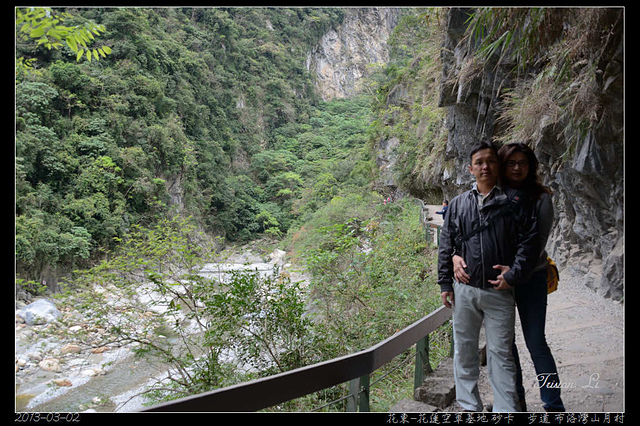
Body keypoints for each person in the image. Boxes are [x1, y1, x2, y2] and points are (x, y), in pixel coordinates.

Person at [453, 143, 564, 412]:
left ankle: (553, 404)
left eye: (523, 163)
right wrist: (455, 256)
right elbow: (466, 236)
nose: (517, 168)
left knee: (536, 342)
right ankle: (516, 400)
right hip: (496, 283)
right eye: (511, 163)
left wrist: (513, 274)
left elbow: (536, 245)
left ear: (531, 167)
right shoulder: (494, 194)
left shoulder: (540, 198)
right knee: (505, 346)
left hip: (529, 279)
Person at [438, 139, 539, 412]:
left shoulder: (515, 201)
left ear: (498, 165)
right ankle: (470, 407)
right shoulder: (458, 204)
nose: (485, 166)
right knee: (464, 350)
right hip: (465, 289)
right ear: (470, 168)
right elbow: (447, 243)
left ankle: (506, 409)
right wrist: (445, 281)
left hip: (499, 291)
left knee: (501, 353)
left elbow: (529, 243)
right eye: (479, 162)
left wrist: (513, 274)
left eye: (491, 161)